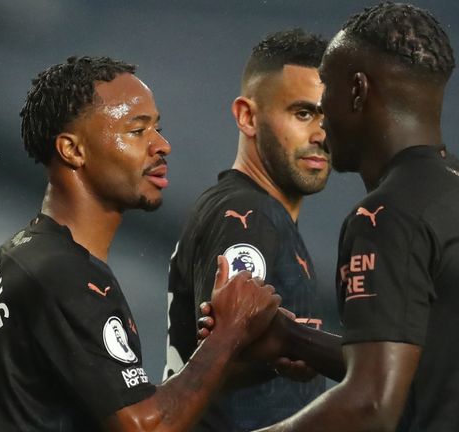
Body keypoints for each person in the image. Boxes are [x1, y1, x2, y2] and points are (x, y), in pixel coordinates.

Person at [246, 3, 459, 431]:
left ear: (357, 90)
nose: (321, 114)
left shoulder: (387, 216)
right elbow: (422, 366)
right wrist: (292, 339)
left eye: (326, 87)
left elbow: (371, 405)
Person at [0, 56, 282, 432]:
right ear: (73, 150)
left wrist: (232, 362)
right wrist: (229, 330)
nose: (162, 145)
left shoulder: (24, 251)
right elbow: (144, 427)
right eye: (137, 132)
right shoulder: (68, 277)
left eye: (158, 128)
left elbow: (119, 400)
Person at [163, 29, 332, 431]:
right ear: (247, 116)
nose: (322, 135)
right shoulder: (247, 212)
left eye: (330, 116)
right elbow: (222, 348)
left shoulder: (267, 215)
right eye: (303, 113)